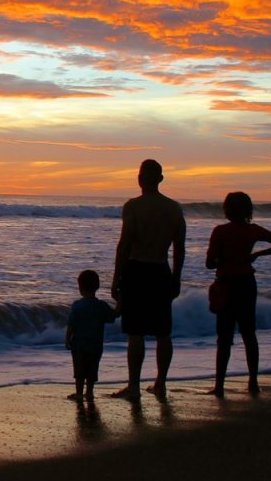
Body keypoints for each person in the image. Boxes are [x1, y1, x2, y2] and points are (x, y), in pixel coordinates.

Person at [110, 159, 186, 399]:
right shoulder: (174, 208)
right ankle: (160, 383)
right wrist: (176, 277)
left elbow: (125, 245)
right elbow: (180, 248)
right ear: (160, 179)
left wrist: (116, 278)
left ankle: (134, 385)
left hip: (136, 270)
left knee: (136, 332)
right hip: (160, 269)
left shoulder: (133, 206)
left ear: (140, 178)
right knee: (163, 332)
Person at [205, 191, 271, 397]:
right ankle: (253, 382)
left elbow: (209, 263)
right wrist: (256, 254)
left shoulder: (220, 231)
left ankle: (219, 386)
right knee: (249, 334)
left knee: (224, 337)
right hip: (246, 284)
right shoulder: (252, 231)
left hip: (226, 284)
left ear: (227, 209)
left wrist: (223, 260)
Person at [65, 269, 119, 403]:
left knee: (79, 369)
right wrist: (121, 302)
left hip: (79, 343)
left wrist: (67, 338)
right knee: (92, 369)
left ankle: (78, 393)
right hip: (95, 344)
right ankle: (89, 392)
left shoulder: (77, 305)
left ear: (80, 287)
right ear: (97, 286)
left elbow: (71, 323)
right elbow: (113, 316)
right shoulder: (101, 306)